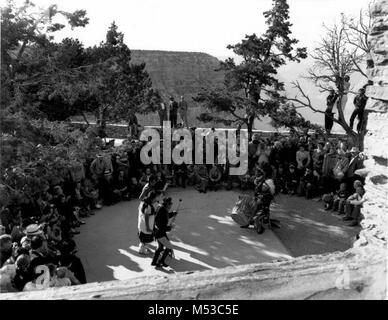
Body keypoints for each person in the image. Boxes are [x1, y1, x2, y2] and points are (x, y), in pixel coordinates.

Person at [151, 197, 176, 268]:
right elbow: (162, 227)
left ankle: (154, 261)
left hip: (156, 231)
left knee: (160, 247)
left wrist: (173, 214)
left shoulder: (161, 208)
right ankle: (161, 261)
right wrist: (170, 227)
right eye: (170, 204)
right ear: (167, 204)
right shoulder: (163, 211)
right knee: (169, 247)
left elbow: (165, 216)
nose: (171, 205)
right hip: (160, 233)